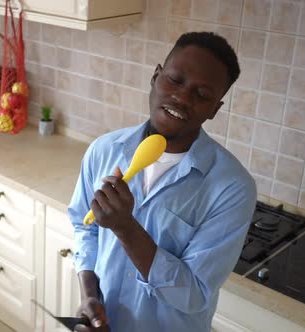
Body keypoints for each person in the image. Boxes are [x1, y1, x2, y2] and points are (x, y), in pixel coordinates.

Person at [68, 32, 257, 332]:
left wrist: (125, 227)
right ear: (156, 76)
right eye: (175, 80)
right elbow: (84, 227)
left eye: (202, 94)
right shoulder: (104, 150)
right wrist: (89, 296)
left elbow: (195, 294)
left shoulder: (232, 188)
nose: (182, 97)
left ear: (214, 110)